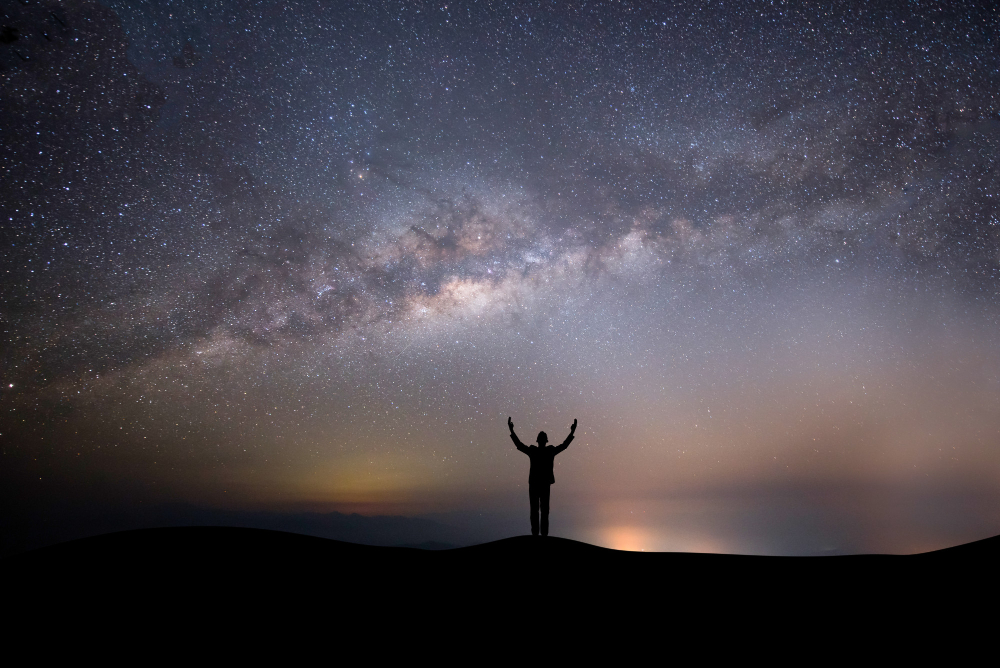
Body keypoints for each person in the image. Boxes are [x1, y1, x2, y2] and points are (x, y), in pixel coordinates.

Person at [508, 416, 577, 537]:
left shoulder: (540, 451)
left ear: (540, 441)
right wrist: (512, 431)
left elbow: (520, 445)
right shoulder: (545, 451)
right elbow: (564, 445)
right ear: (545, 441)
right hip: (540, 484)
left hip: (538, 484)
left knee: (539, 511)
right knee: (540, 511)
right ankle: (540, 534)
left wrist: (512, 431)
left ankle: (539, 534)